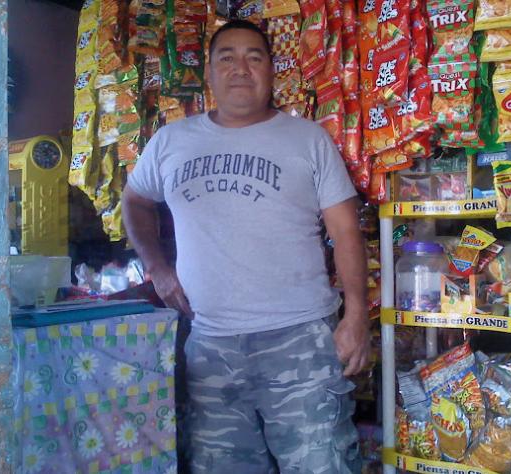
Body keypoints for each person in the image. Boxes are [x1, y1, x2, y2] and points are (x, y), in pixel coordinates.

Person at [122, 19, 370, 474]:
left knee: (323, 465)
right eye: (227, 58)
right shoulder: (172, 141)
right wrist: (157, 267)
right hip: (209, 346)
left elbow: (346, 231)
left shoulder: (308, 139)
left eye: (254, 57)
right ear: (209, 72)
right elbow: (134, 201)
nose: (240, 68)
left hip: (300, 342)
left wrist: (356, 316)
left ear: (271, 70)